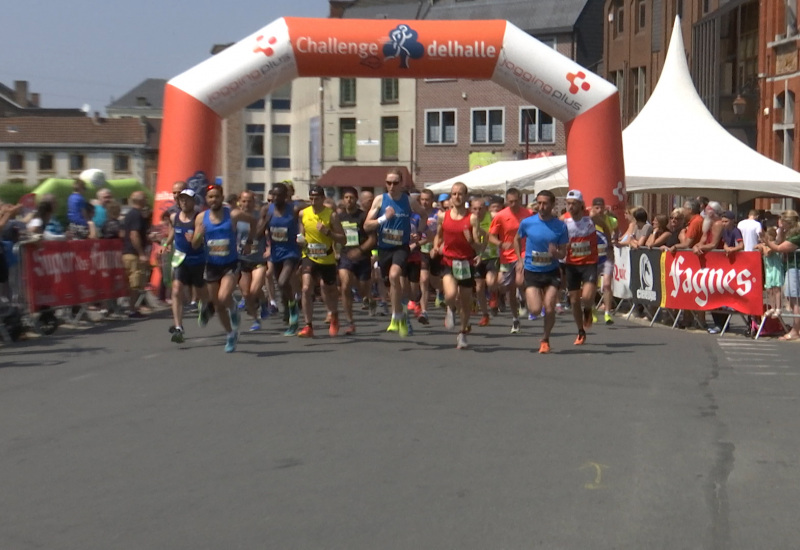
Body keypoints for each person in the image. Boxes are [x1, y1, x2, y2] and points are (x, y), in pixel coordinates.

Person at [192, 183, 256, 352]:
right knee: (218, 305)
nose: (214, 200)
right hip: (212, 265)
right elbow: (195, 244)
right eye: (210, 197)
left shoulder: (233, 214)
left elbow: (253, 220)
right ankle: (230, 334)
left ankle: (233, 307)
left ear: (222, 198)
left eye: (217, 196)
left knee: (223, 297)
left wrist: (249, 242)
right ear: (206, 199)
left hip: (230, 264)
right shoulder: (201, 218)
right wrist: (198, 235)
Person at [364, 169, 426, 337]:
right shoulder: (380, 200)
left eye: (395, 183)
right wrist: (384, 218)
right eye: (388, 183)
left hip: (401, 247)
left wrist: (418, 233)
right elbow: (366, 226)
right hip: (384, 248)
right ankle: (401, 314)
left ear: (401, 184)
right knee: (391, 283)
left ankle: (396, 316)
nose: (391, 186)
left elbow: (423, 214)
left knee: (394, 275)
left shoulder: (408, 200)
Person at [514, 190, 568, 353]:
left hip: (551, 271)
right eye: (539, 203)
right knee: (536, 310)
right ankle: (526, 302)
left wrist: (556, 253)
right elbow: (517, 239)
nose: (542, 206)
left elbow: (563, 252)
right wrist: (519, 259)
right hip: (532, 270)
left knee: (550, 306)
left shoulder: (560, 226)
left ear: (552, 205)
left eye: (545, 203)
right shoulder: (527, 223)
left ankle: (545, 339)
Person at [431, 182, 481, 349]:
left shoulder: (472, 218)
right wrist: (435, 247)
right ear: (450, 197)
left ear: (465, 196)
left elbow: (477, 246)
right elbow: (438, 235)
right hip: (448, 261)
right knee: (451, 294)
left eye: (460, 194)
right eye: (454, 194)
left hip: (466, 262)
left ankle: (462, 334)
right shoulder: (443, 216)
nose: (457, 197)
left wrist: (470, 241)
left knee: (466, 302)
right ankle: (450, 309)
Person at [561, 189, 611, 345]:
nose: (571, 207)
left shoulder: (591, 218)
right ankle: (580, 331)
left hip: (589, 262)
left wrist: (609, 246)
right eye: (568, 204)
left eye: (574, 204)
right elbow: (556, 236)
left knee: (587, 296)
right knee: (574, 300)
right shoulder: (563, 220)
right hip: (571, 264)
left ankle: (588, 310)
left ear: (581, 204)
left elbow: (606, 228)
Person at [297, 185, 346, 338]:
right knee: (306, 289)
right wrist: (300, 239)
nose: (313, 202)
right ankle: (308, 325)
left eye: (316, 199)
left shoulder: (331, 215)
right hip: (309, 256)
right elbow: (302, 232)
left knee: (329, 290)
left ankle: (334, 316)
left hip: (327, 258)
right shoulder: (303, 213)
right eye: (311, 198)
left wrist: (328, 232)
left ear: (323, 199)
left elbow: (343, 239)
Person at [165, 189, 209, 343]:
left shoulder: (199, 218)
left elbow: (201, 241)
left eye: (187, 199)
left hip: (197, 259)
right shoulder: (173, 217)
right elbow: (173, 230)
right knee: (176, 289)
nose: (184, 202)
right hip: (180, 258)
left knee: (201, 290)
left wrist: (196, 239)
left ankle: (204, 307)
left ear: (193, 201)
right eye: (182, 199)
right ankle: (179, 327)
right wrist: (167, 243)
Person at [488, 188, 533, 334]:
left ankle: (523, 300)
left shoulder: (528, 214)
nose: (513, 204)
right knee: (508, 288)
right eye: (510, 201)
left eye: (516, 201)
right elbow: (491, 236)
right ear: (507, 201)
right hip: (507, 255)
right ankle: (515, 318)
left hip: (524, 252)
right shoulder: (501, 216)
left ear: (520, 200)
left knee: (520, 280)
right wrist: (500, 244)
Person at [263, 183, 304, 335]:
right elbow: (259, 232)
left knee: (282, 281)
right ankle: (288, 307)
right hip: (275, 253)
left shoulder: (293, 209)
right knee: (281, 285)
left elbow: (309, 206)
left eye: (279, 195)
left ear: (286, 196)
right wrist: (266, 221)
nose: (275, 198)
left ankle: (292, 307)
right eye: (273, 195)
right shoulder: (267, 210)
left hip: (291, 252)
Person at [338, 186, 377, 335]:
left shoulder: (363, 217)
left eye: (352, 198)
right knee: (345, 285)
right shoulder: (339, 217)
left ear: (356, 200)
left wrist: (360, 250)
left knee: (362, 291)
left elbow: (372, 239)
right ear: (343, 199)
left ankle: (370, 299)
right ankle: (350, 322)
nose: (349, 200)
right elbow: (335, 236)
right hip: (345, 256)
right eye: (346, 197)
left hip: (362, 257)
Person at [761, 210, 800, 341]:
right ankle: (796, 328)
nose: (780, 223)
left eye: (783, 222)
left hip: (796, 268)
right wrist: (781, 231)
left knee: (795, 300)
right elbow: (778, 242)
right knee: (791, 298)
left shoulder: (796, 236)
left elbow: (779, 248)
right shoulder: (790, 233)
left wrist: (765, 240)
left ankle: (795, 330)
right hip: (790, 267)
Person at [235, 190, 270, 332]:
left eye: (249, 201)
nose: (246, 204)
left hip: (258, 259)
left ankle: (263, 302)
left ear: (254, 202)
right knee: (247, 294)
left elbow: (268, 235)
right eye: (244, 201)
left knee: (254, 290)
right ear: (239, 202)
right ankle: (256, 319)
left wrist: (269, 248)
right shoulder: (235, 217)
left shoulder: (259, 217)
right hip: (242, 259)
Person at [121, 191, 151, 318]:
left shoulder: (129, 214)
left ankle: (133, 307)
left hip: (127, 252)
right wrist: (141, 253)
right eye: (144, 198)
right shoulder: (136, 215)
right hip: (133, 254)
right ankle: (132, 309)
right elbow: (134, 234)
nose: (146, 200)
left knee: (132, 282)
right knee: (135, 282)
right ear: (139, 200)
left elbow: (124, 233)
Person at [472, 197, 500, 327]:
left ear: (486, 208)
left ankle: (493, 294)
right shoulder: (470, 219)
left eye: (480, 208)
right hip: (478, 256)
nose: (478, 211)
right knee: (478, 288)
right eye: (475, 209)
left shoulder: (493, 216)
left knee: (490, 281)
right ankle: (485, 315)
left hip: (492, 254)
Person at [590, 197, 618, 325]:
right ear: (592, 208)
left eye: (602, 207)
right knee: (592, 284)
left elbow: (616, 232)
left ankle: (607, 312)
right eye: (597, 207)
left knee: (607, 284)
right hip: (593, 256)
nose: (600, 210)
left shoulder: (611, 220)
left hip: (606, 255)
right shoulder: (589, 220)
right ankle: (592, 310)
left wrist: (614, 242)